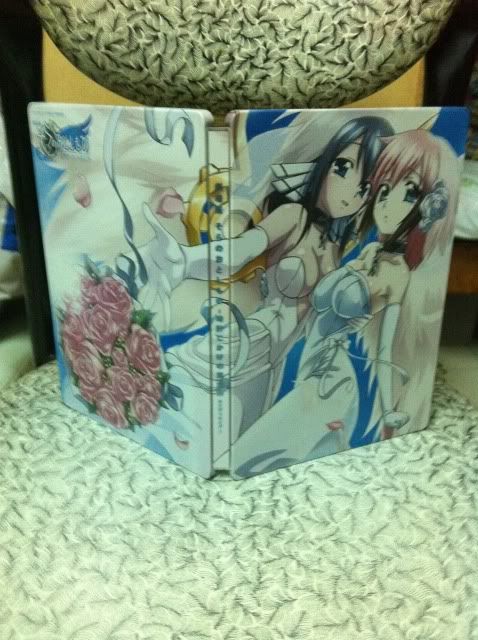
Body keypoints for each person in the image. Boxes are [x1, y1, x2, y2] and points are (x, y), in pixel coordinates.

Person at [136, 116, 395, 459]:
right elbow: (240, 251)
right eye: (343, 168)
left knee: (238, 453)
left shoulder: (335, 248)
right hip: (246, 343)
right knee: (193, 435)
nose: (351, 193)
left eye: (365, 188)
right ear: (324, 162)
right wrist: (185, 259)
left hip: (272, 366)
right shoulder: (294, 217)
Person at [231, 127, 460, 477]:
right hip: (306, 372)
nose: (387, 204)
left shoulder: (398, 274)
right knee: (302, 465)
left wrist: (389, 410)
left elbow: (384, 350)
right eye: (383, 189)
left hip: (332, 382)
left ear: (428, 206)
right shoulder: (368, 252)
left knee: (242, 460)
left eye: (410, 192)